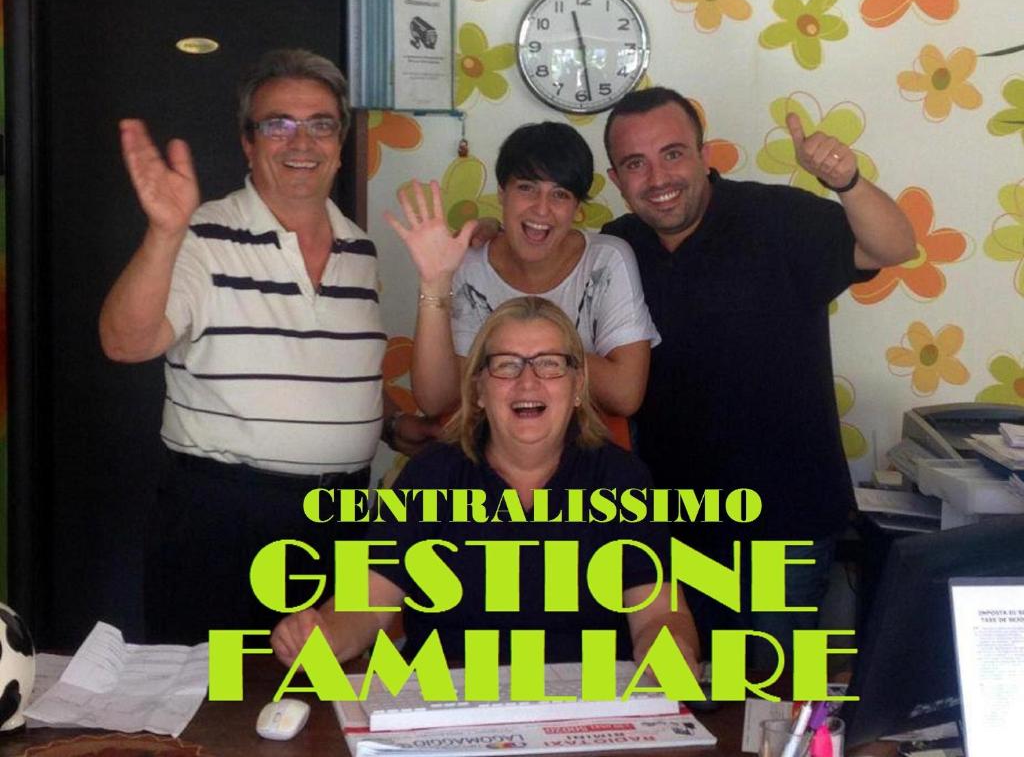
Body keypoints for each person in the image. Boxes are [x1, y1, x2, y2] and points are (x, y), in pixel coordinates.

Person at [98, 49, 439, 644]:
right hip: (222, 518)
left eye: (320, 124)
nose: (300, 141)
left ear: (340, 142)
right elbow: (126, 342)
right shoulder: (202, 235)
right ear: (248, 143)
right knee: (212, 700)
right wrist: (163, 234)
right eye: (277, 123)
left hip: (342, 520)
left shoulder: (361, 249)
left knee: (325, 699)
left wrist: (386, 424)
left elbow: (322, 368)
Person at [599, 87, 916, 662]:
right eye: (635, 164)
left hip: (782, 528)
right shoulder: (614, 250)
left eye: (673, 154)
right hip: (670, 530)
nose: (658, 177)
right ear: (617, 178)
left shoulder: (779, 218)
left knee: (768, 703)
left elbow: (894, 245)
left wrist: (846, 181)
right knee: (683, 699)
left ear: (703, 153)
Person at [271, 297, 699, 671]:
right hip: (445, 710)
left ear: (577, 387)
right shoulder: (430, 475)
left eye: (549, 364)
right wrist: (321, 637)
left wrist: (670, 652)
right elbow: (366, 602)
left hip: (584, 711)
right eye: (506, 365)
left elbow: (659, 612)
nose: (527, 382)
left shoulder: (621, 478)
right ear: (478, 389)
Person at [385, 122, 659, 423]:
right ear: (502, 193)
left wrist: (510, 353)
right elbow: (437, 400)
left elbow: (625, 395)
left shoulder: (606, 260)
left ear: (577, 207)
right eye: (527, 188)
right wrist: (435, 283)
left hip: (585, 455)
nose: (541, 209)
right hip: (486, 453)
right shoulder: (468, 264)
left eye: (560, 195)